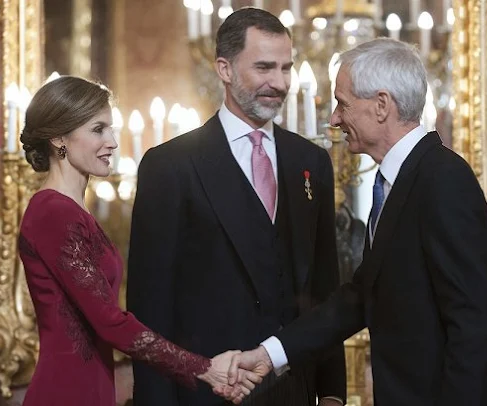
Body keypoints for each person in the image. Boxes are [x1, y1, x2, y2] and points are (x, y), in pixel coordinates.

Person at [226, 38, 487, 406]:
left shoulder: (442, 180)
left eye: (343, 104)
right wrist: (269, 355)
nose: (334, 119)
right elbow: (360, 297)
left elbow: (474, 323)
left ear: (381, 105)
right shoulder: (399, 180)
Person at [127, 7, 346, 406]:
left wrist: (331, 394)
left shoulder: (310, 162)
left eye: (286, 68)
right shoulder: (170, 166)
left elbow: (324, 291)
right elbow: (150, 311)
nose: (279, 83)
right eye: (264, 68)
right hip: (205, 395)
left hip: (294, 394)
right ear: (224, 69)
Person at [18, 76, 260, 406]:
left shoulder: (75, 211)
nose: (113, 142)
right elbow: (108, 321)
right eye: (98, 129)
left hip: (93, 388)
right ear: (59, 138)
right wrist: (203, 368)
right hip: (66, 392)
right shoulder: (51, 212)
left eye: (111, 129)